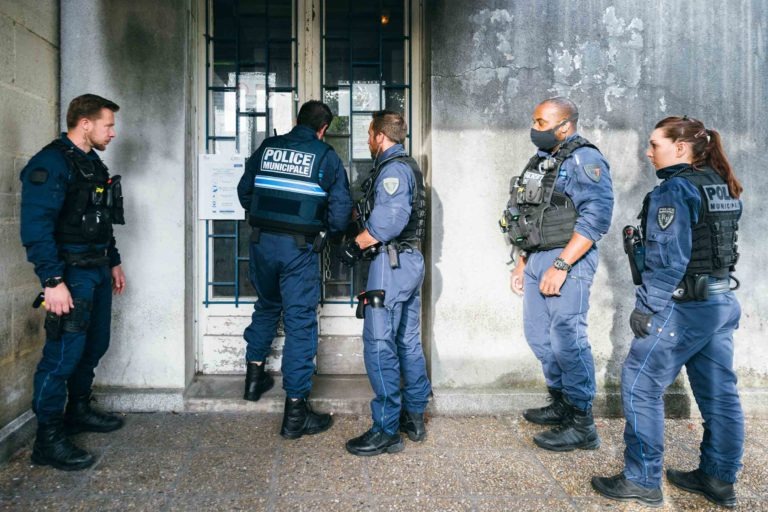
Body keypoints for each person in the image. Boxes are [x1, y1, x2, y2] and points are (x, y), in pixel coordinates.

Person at [592, 116, 744, 508]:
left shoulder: (675, 190)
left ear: (680, 148)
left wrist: (646, 308)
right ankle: (718, 478)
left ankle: (642, 479)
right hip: (720, 303)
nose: (647, 151)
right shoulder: (720, 183)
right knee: (720, 396)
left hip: (683, 308)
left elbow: (668, 259)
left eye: (654, 144)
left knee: (641, 386)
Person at [20, 94, 126, 471]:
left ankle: (78, 410)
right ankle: (47, 440)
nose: (112, 133)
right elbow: (36, 228)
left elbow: (101, 218)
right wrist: (52, 280)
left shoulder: (91, 163)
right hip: (69, 276)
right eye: (108, 125)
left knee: (95, 344)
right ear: (85, 123)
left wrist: (113, 262)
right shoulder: (51, 163)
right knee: (62, 356)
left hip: (96, 269)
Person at [503, 97, 614, 451]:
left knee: (568, 336)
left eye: (541, 122)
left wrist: (562, 265)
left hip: (567, 259)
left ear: (564, 125)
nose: (534, 129)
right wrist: (522, 260)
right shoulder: (542, 161)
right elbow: (527, 213)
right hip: (537, 258)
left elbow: (596, 218)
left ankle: (582, 422)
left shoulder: (585, 159)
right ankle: (561, 402)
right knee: (539, 337)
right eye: (534, 121)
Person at [237, 100, 352, 439]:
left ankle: (253, 381)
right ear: (324, 128)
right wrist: (326, 232)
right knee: (300, 323)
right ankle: (296, 414)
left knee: (267, 305)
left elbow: (245, 192)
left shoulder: (268, 148)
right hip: (298, 249)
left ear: (297, 120)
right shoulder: (325, 156)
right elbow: (340, 210)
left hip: (261, 243)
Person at [339, 110, 431, 456]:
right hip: (408, 262)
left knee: (379, 343)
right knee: (406, 341)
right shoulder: (405, 165)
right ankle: (414, 414)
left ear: (380, 135)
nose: (367, 141)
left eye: (368, 134)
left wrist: (354, 245)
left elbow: (388, 222)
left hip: (390, 262)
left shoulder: (392, 169)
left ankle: (385, 429)